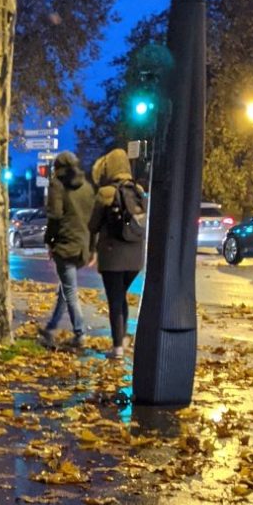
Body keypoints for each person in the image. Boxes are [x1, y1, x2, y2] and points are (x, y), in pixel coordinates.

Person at [89, 148, 146, 360]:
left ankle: (117, 348)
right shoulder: (138, 190)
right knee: (121, 296)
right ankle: (122, 339)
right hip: (135, 256)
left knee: (115, 300)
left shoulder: (105, 193)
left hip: (112, 255)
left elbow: (93, 224)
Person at [38, 152, 94, 349]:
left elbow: (55, 216)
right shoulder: (87, 187)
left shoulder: (57, 185)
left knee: (69, 291)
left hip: (64, 245)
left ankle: (80, 333)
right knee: (66, 287)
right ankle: (51, 327)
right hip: (82, 246)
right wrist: (92, 247)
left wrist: (49, 241)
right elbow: (92, 220)